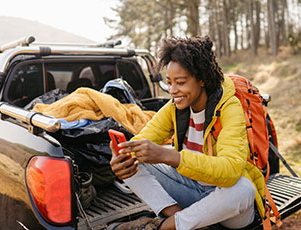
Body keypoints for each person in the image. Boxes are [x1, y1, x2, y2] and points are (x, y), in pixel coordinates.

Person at [108, 35, 266, 230]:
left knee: (243, 189)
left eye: (181, 82)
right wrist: (122, 155)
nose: (173, 90)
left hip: (228, 206)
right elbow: (144, 139)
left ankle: (166, 226)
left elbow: (231, 170)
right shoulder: (175, 106)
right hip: (193, 194)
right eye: (169, 82)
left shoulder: (229, 106)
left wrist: (171, 156)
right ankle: (180, 219)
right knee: (133, 160)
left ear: (201, 79)